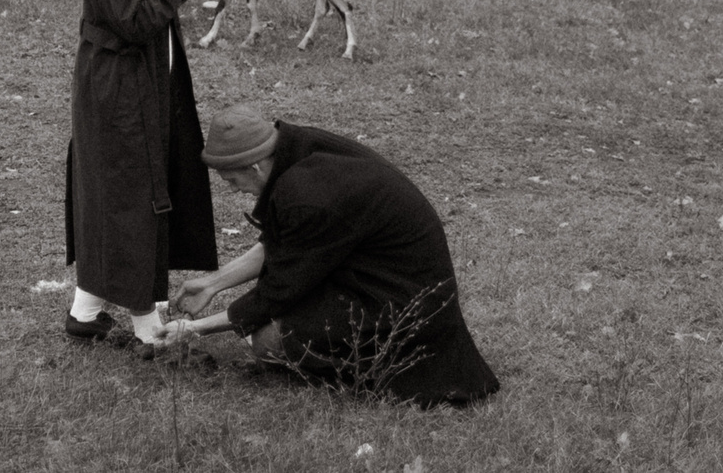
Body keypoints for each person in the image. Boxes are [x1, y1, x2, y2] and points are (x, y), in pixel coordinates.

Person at [166, 104, 501, 406]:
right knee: (273, 326)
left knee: (268, 340)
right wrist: (213, 284)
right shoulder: (296, 148)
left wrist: (196, 329)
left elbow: (277, 293)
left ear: (255, 166)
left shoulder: (309, 195)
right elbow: (286, 243)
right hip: (369, 276)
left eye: (231, 179)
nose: (232, 189)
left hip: (406, 309)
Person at [61, 0, 222, 343]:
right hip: (119, 86)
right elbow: (136, 20)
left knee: (128, 189)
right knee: (132, 194)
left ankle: (84, 314)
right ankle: (147, 326)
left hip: (146, 79)